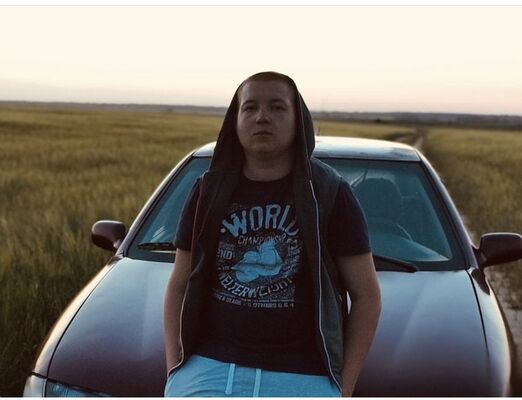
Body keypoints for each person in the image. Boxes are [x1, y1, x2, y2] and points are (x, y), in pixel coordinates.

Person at [163, 71, 381, 397]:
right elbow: (179, 284)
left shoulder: (329, 193)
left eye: (277, 107)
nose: (262, 117)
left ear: (298, 121)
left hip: (303, 376)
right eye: (250, 107)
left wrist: (343, 389)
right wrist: (175, 369)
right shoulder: (207, 192)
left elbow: (367, 296)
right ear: (235, 121)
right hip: (209, 369)